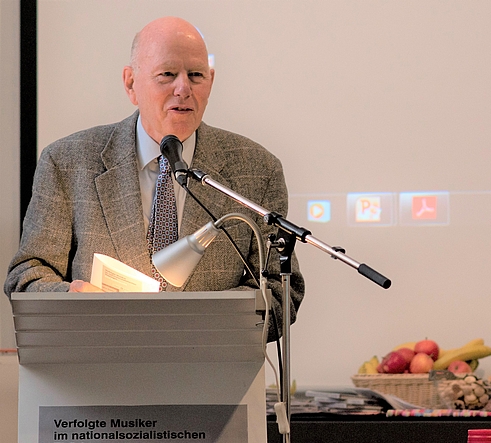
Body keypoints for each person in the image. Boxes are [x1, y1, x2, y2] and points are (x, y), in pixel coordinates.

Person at [4, 17, 303, 340]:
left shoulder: (256, 169)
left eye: (196, 75)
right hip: (100, 359)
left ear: (211, 81)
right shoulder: (68, 162)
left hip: (209, 364)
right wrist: (71, 299)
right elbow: (27, 277)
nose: (183, 89)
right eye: (167, 74)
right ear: (131, 83)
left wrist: (198, 325)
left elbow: (281, 293)